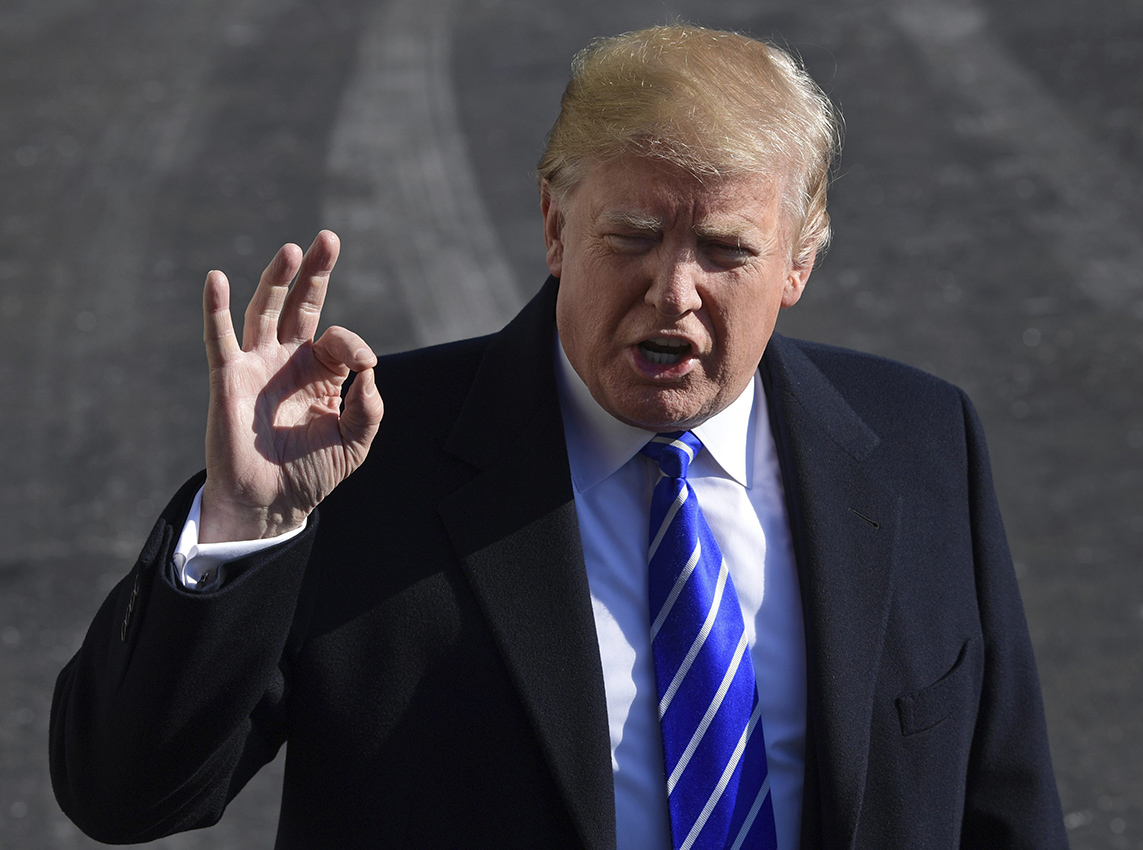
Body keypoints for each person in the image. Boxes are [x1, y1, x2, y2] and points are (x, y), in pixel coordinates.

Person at [50, 24, 1068, 849]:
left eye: (725, 250)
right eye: (631, 237)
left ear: (799, 262)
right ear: (553, 226)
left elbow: (1005, 808)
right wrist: (245, 520)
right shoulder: (358, 465)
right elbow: (125, 795)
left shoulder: (922, 440)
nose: (673, 292)